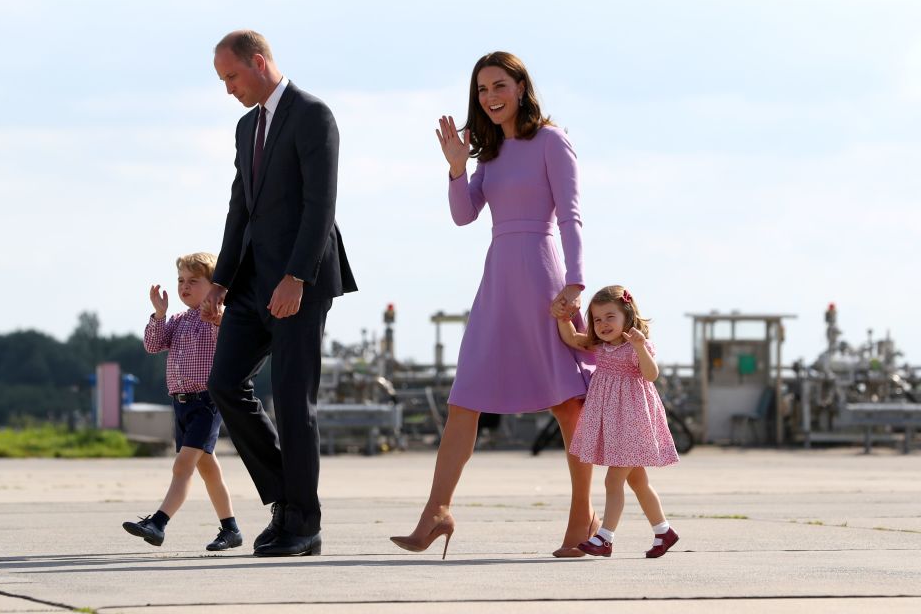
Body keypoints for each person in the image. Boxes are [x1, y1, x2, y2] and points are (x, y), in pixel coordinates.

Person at [390, 51, 598, 559]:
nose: (490, 97)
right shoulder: (489, 153)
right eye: (482, 89)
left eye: (499, 85)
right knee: (466, 397)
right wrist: (458, 170)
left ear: (522, 87)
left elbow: (571, 215)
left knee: (568, 402)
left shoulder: (552, 140)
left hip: (545, 277)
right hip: (498, 277)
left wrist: (576, 282)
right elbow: (464, 216)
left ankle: (582, 516)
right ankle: (436, 513)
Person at [203, 30, 357, 558]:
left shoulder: (313, 115)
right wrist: (220, 281)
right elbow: (239, 209)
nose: (228, 89)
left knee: (293, 403)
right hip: (250, 284)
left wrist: (298, 277)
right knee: (224, 383)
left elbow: (321, 207)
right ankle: (285, 500)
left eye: (232, 76)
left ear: (259, 62)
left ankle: (303, 523)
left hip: (299, 283)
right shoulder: (247, 127)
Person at [122, 252, 242, 552]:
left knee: (183, 465)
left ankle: (159, 523)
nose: (184, 287)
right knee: (208, 470)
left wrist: (217, 315)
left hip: (206, 403)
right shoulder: (178, 321)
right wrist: (159, 314)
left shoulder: (218, 319)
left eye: (193, 281)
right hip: (181, 404)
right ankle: (231, 529)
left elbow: (231, 340)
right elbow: (152, 345)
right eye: (180, 281)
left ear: (215, 286)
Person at [556, 285, 680, 558]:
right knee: (638, 482)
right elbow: (574, 339)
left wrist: (639, 347)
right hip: (614, 422)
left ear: (627, 315)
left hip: (632, 421)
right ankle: (663, 531)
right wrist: (563, 318)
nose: (602, 324)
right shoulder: (600, 346)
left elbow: (651, 375)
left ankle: (605, 537)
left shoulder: (637, 346)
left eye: (610, 317)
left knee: (613, 481)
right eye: (597, 319)